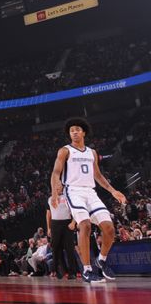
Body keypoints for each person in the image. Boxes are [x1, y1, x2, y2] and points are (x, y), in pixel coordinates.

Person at [51, 117, 127, 283]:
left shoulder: (92, 152)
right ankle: (86, 269)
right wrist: (55, 192)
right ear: (69, 134)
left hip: (91, 192)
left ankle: (101, 260)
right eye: (72, 131)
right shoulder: (65, 150)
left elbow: (98, 175)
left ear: (83, 132)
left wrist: (113, 191)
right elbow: (56, 173)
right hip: (73, 191)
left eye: (77, 129)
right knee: (84, 225)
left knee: (109, 229)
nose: (75, 132)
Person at [46, 194, 79, 279]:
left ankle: (72, 272)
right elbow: (48, 214)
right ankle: (59, 271)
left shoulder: (67, 196)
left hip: (67, 223)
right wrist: (49, 228)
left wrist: (73, 222)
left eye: (59, 184)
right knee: (56, 248)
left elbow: (75, 210)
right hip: (55, 224)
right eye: (55, 185)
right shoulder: (50, 199)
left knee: (69, 248)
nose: (57, 186)